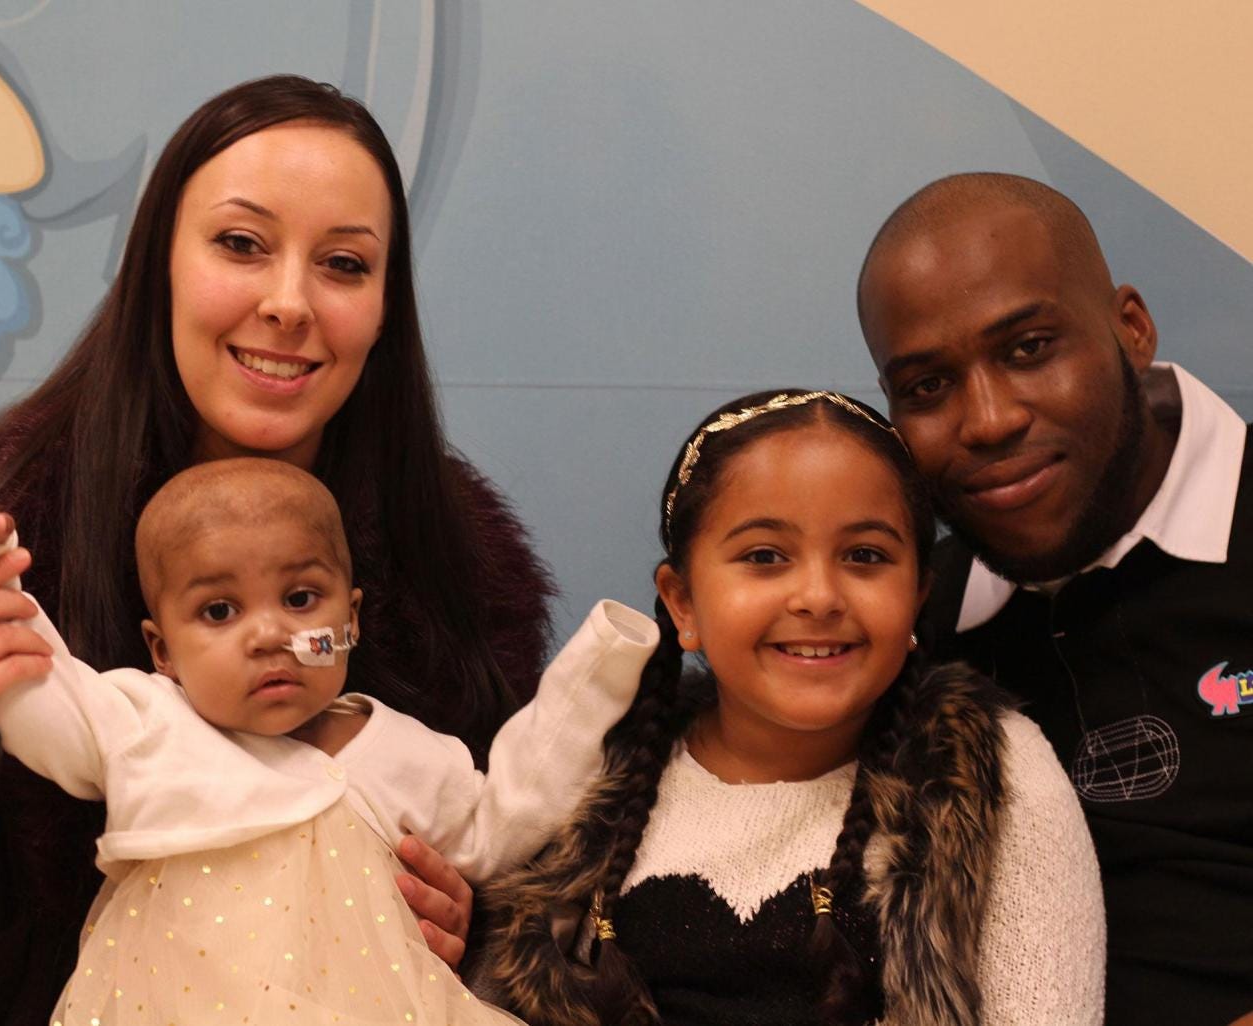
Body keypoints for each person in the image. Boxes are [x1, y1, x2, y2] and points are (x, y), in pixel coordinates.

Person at [0, 75, 553, 1026]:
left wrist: (473, 929)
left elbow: (521, 879)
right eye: (241, 245)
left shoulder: (459, 561)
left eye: (344, 263)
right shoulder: (24, 513)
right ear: (161, 256)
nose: (289, 304)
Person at [0, 458, 655, 1025]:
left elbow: (504, 821)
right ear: (161, 650)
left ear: (351, 618)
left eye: (300, 600)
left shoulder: (408, 752)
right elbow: (39, 690)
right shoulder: (144, 722)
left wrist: (595, 675)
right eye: (220, 610)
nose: (269, 635)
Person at [476, 390, 1104, 1026]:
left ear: (918, 596)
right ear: (683, 604)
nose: (818, 596)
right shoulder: (593, 770)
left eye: (865, 556)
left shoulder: (992, 775)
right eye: (764, 557)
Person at [857, 172, 1253, 1026]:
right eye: (926, 387)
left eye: (1029, 348)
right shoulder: (910, 628)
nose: (990, 419)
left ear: (1131, 330)